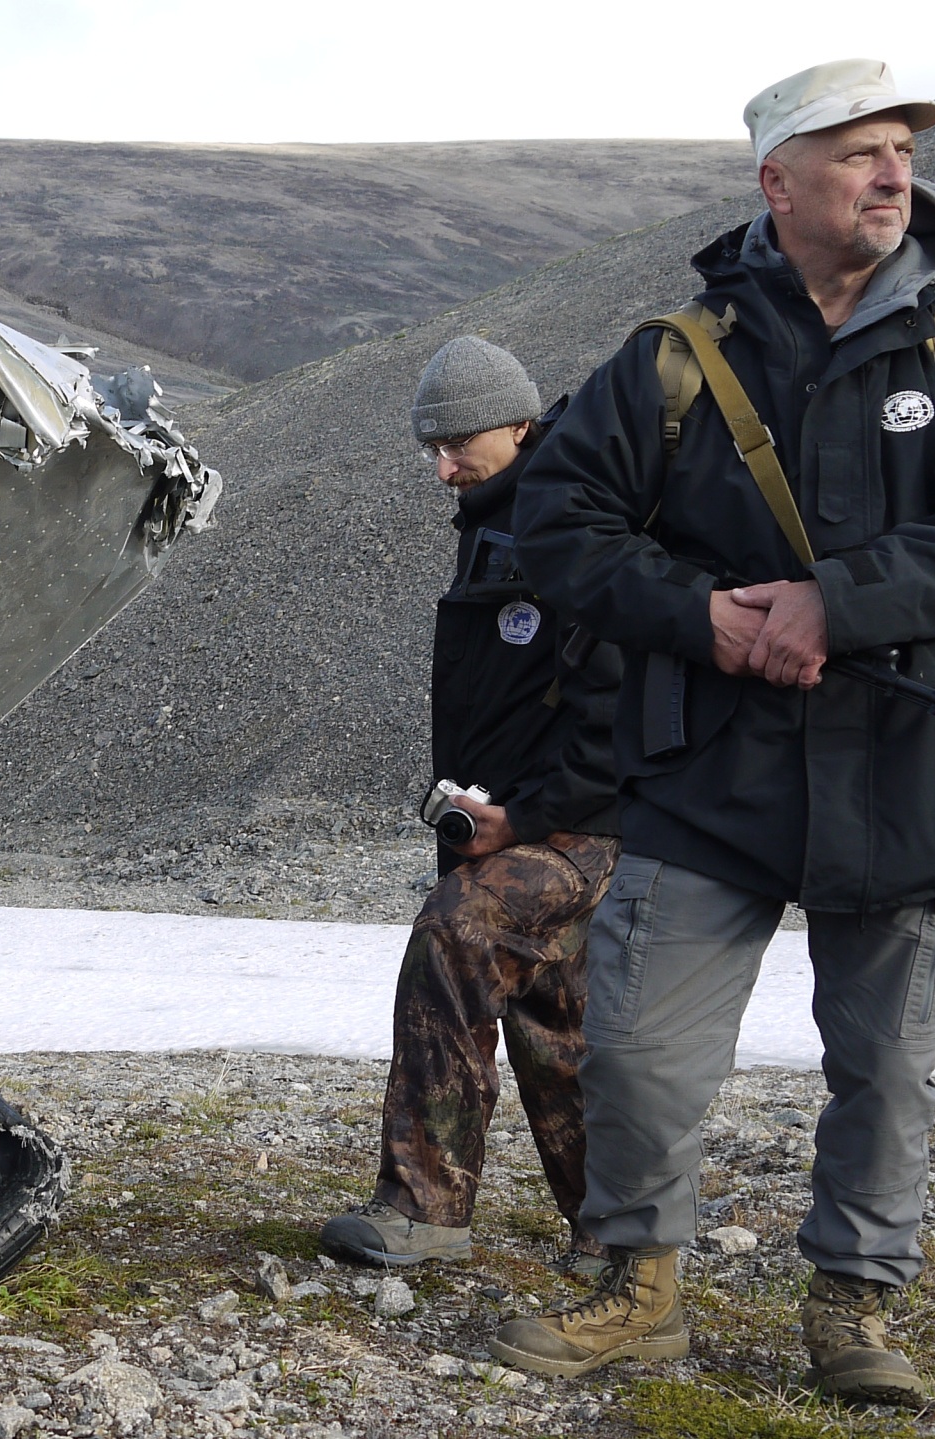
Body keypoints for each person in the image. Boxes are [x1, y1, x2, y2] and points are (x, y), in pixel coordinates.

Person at [496, 59, 935, 1402]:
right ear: (777, 181)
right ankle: (639, 1286)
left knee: (885, 1065)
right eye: (859, 153)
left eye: (901, 155)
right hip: (716, 770)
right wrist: (706, 618)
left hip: (920, 775)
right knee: (638, 1041)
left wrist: (836, 601)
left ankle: (857, 1304)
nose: (892, 175)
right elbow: (556, 523)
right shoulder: (672, 363)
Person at [321, 337, 622, 1272]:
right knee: (557, 1015)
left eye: (459, 444)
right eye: (432, 448)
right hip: (525, 814)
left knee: (457, 932)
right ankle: (616, 1226)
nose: (444, 466)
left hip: (588, 823)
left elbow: (618, 701)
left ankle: (425, 1207)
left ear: (522, 423)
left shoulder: (571, 520)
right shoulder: (499, 516)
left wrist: (524, 816)